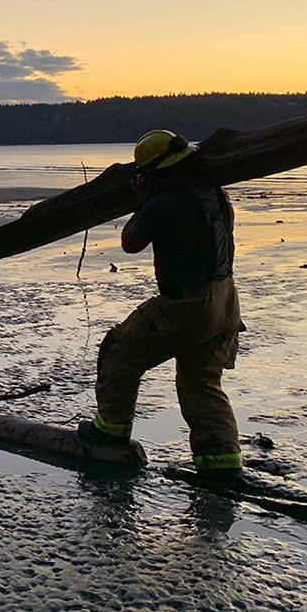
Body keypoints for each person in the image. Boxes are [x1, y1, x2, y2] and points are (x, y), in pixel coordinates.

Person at [78, 130, 245, 480]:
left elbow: (130, 243)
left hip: (188, 305)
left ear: (155, 172)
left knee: (119, 351)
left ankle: (110, 434)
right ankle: (221, 465)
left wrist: (142, 202)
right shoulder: (214, 194)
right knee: (201, 384)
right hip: (226, 300)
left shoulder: (164, 202)